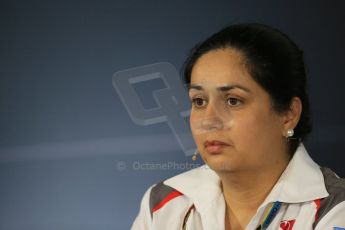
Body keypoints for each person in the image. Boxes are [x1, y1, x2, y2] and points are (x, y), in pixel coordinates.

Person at [131, 23, 345, 230]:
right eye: (199, 101)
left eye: (233, 101)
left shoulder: (335, 209)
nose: (209, 120)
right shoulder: (163, 203)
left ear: (289, 115)